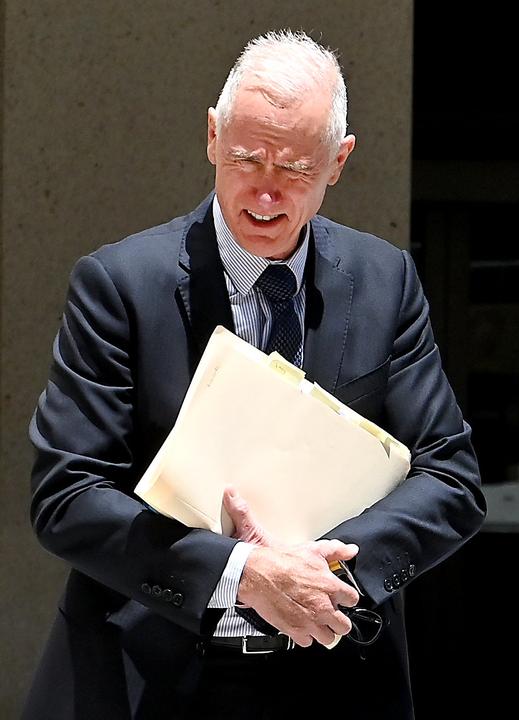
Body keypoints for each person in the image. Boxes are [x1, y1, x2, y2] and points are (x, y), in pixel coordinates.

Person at [26, 30, 484, 719]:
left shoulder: (386, 281)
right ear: (212, 137)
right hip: (152, 676)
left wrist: (321, 579)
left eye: (296, 168)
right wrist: (242, 575)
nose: (266, 190)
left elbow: (451, 479)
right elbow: (67, 496)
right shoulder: (120, 285)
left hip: (340, 676)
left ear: (339, 161)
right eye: (246, 158)